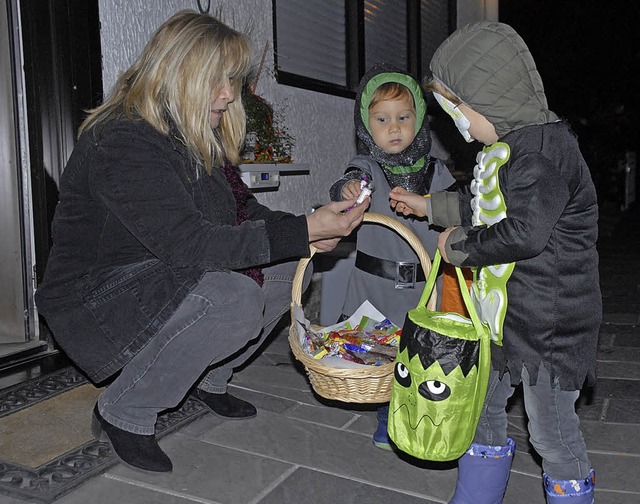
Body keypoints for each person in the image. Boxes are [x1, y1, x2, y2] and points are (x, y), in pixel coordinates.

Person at [34, 10, 369, 474]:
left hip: (158, 270)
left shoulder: (194, 135)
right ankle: (124, 411)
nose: (230, 95)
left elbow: (244, 211)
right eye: (218, 80)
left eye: (232, 80)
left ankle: (210, 379)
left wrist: (310, 230)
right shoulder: (123, 140)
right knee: (230, 298)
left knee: (296, 265)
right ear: (177, 74)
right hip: (99, 294)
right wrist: (304, 230)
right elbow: (190, 245)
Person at [389, 21, 600, 504]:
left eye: (458, 109)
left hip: (551, 324)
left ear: (493, 97)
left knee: (549, 432)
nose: (455, 123)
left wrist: (460, 246)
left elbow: (524, 231)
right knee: (480, 404)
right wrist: (428, 206)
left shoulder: (545, 153)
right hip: (501, 316)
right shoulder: (505, 150)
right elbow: (480, 204)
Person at [328, 64, 456, 451]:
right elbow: (346, 184)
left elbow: (457, 210)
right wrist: (348, 189)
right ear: (366, 126)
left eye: (404, 117)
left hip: (425, 288)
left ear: (420, 120)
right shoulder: (367, 168)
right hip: (375, 286)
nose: (394, 128)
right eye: (382, 119)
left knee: (420, 356)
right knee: (382, 354)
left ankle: (419, 414)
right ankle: (386, 414)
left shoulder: (437, 171)